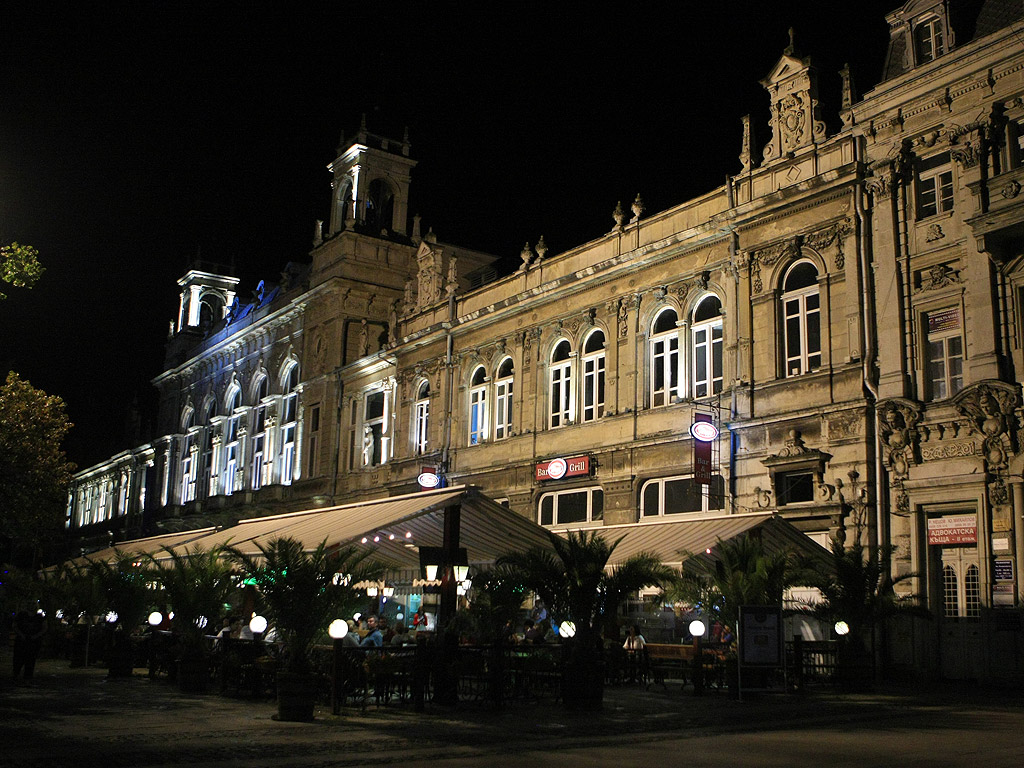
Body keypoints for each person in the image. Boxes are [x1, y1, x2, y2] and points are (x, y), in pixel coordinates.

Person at [13, 610, 46, 680]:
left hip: (33, 641)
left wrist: (36, 636)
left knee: (30, 660)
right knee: (19, 659)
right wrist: (21, 635)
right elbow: (15, 626)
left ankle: (27, 677)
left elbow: (44, 627)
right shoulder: (21, 615)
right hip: (22, 641)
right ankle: (16, 674)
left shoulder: (39, 617)